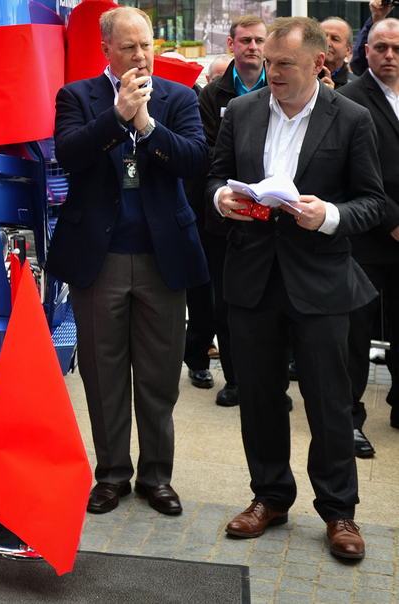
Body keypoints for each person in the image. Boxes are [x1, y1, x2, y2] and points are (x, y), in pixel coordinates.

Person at [207, 17, 385, 560]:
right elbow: (214, 179)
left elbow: (372, 201)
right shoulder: (240, 111)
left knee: (329, 403)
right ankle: (270, 497)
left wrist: (327, 214)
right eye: (270, 62)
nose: (271, 71)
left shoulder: (351, 118)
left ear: (317, 66)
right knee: (259, 396)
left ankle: (339, 513)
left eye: (285, 64)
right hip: (253, 279)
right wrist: (223, 201)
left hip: (322, 283)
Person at [46, 7, 209, 517]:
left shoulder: (180, 97)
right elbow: (69, 154)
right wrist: (117, 118)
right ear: (106, 50)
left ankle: (157, 477)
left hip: (164, 259)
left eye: (147, 45)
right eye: (130, 47)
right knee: (103, 373)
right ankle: (112, 475)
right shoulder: (77, 96)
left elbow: (195, 162)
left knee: (159, 377)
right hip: (102, 258)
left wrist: (147, 125)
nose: (142, 56)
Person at [198, 15, 268, 407]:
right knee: (225, 303)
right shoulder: (212, 95)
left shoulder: (278, 87)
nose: (253, 47)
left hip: (272, 215)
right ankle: (235, 380)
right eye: (245, 40)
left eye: (260, 40)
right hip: (225, 217)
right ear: (231, 44)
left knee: (271, 302)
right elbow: (209, 154)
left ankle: (268, 382)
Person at [338, 17, 399, 450]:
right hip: (370, 237)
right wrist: (393, 220)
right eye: (380, 48)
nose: (389, 56)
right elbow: (360, 171)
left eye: (397, 48)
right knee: (356, 335)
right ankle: (349, 420)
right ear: (366, 51)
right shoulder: (350, 99)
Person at [320, 17, 358, 89]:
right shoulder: (302, 79)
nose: (327, 43)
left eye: (335, 39)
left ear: (348, 50)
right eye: (323, 37)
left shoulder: (356, 87)